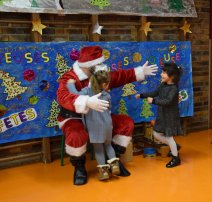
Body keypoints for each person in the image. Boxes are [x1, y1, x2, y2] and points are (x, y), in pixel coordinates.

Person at [57, 45, 158, 185]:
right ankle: (79, 167)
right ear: (88, 65)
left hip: (98, 117)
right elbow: (64, 96)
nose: (101, 67)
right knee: (76, 134)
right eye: (97, 64)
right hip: (75, 117)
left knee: (125, 123)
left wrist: (139, 72)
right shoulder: (70, 77)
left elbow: (118, 77)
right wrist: (86, 101)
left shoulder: (99, 75)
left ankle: (114, 162)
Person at [66, 65, 126, 181]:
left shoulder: (86, 92)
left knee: (98, 149)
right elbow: (109, 110)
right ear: (104, 85)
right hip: (107, 125)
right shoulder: (107, 95)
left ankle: (104, 173)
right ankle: (114, 167)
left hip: (94, 126)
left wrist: (70, 84)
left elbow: (74, 94)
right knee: (108, 145)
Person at [135, 62, 183, 168]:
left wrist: (153, 101)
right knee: (156, 134)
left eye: (164, 73)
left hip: (170, 116)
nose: (162, 74)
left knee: (169, 137)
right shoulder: (163, 85)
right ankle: (174, 146)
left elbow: (167, 101)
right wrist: (142, 95)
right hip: (162, 115)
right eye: (162, 72)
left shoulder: (174, 89)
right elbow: (154, 93)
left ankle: (176, 158)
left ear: (172, 76)